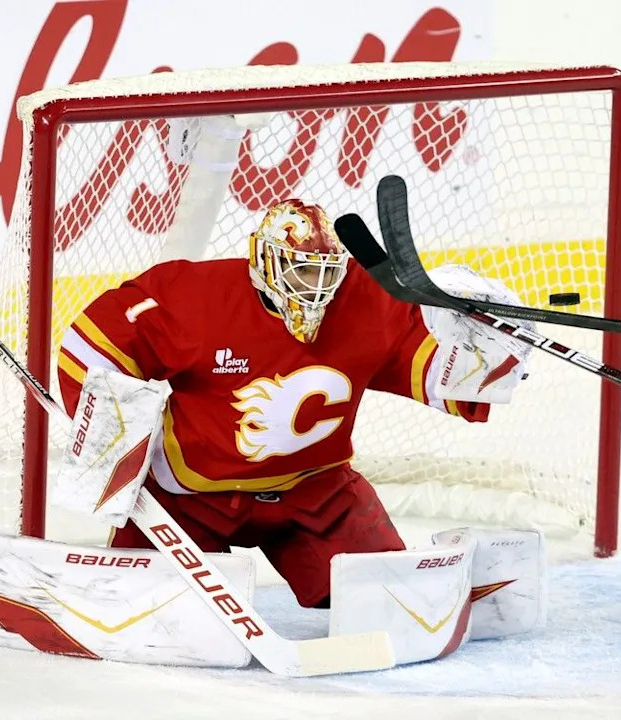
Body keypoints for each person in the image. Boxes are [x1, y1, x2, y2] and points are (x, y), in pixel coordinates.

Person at [55, 199, 526, 610]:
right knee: (149, 609)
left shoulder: (367, 301)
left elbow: (441, 376)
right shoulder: (194, 297)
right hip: (189, 501)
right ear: (265, 261)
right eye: (302, 270)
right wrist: (112, 439)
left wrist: (490, 352)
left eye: (326, 271)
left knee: (387, 601)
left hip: (318, 496)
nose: (316, 285)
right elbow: (91, 348)